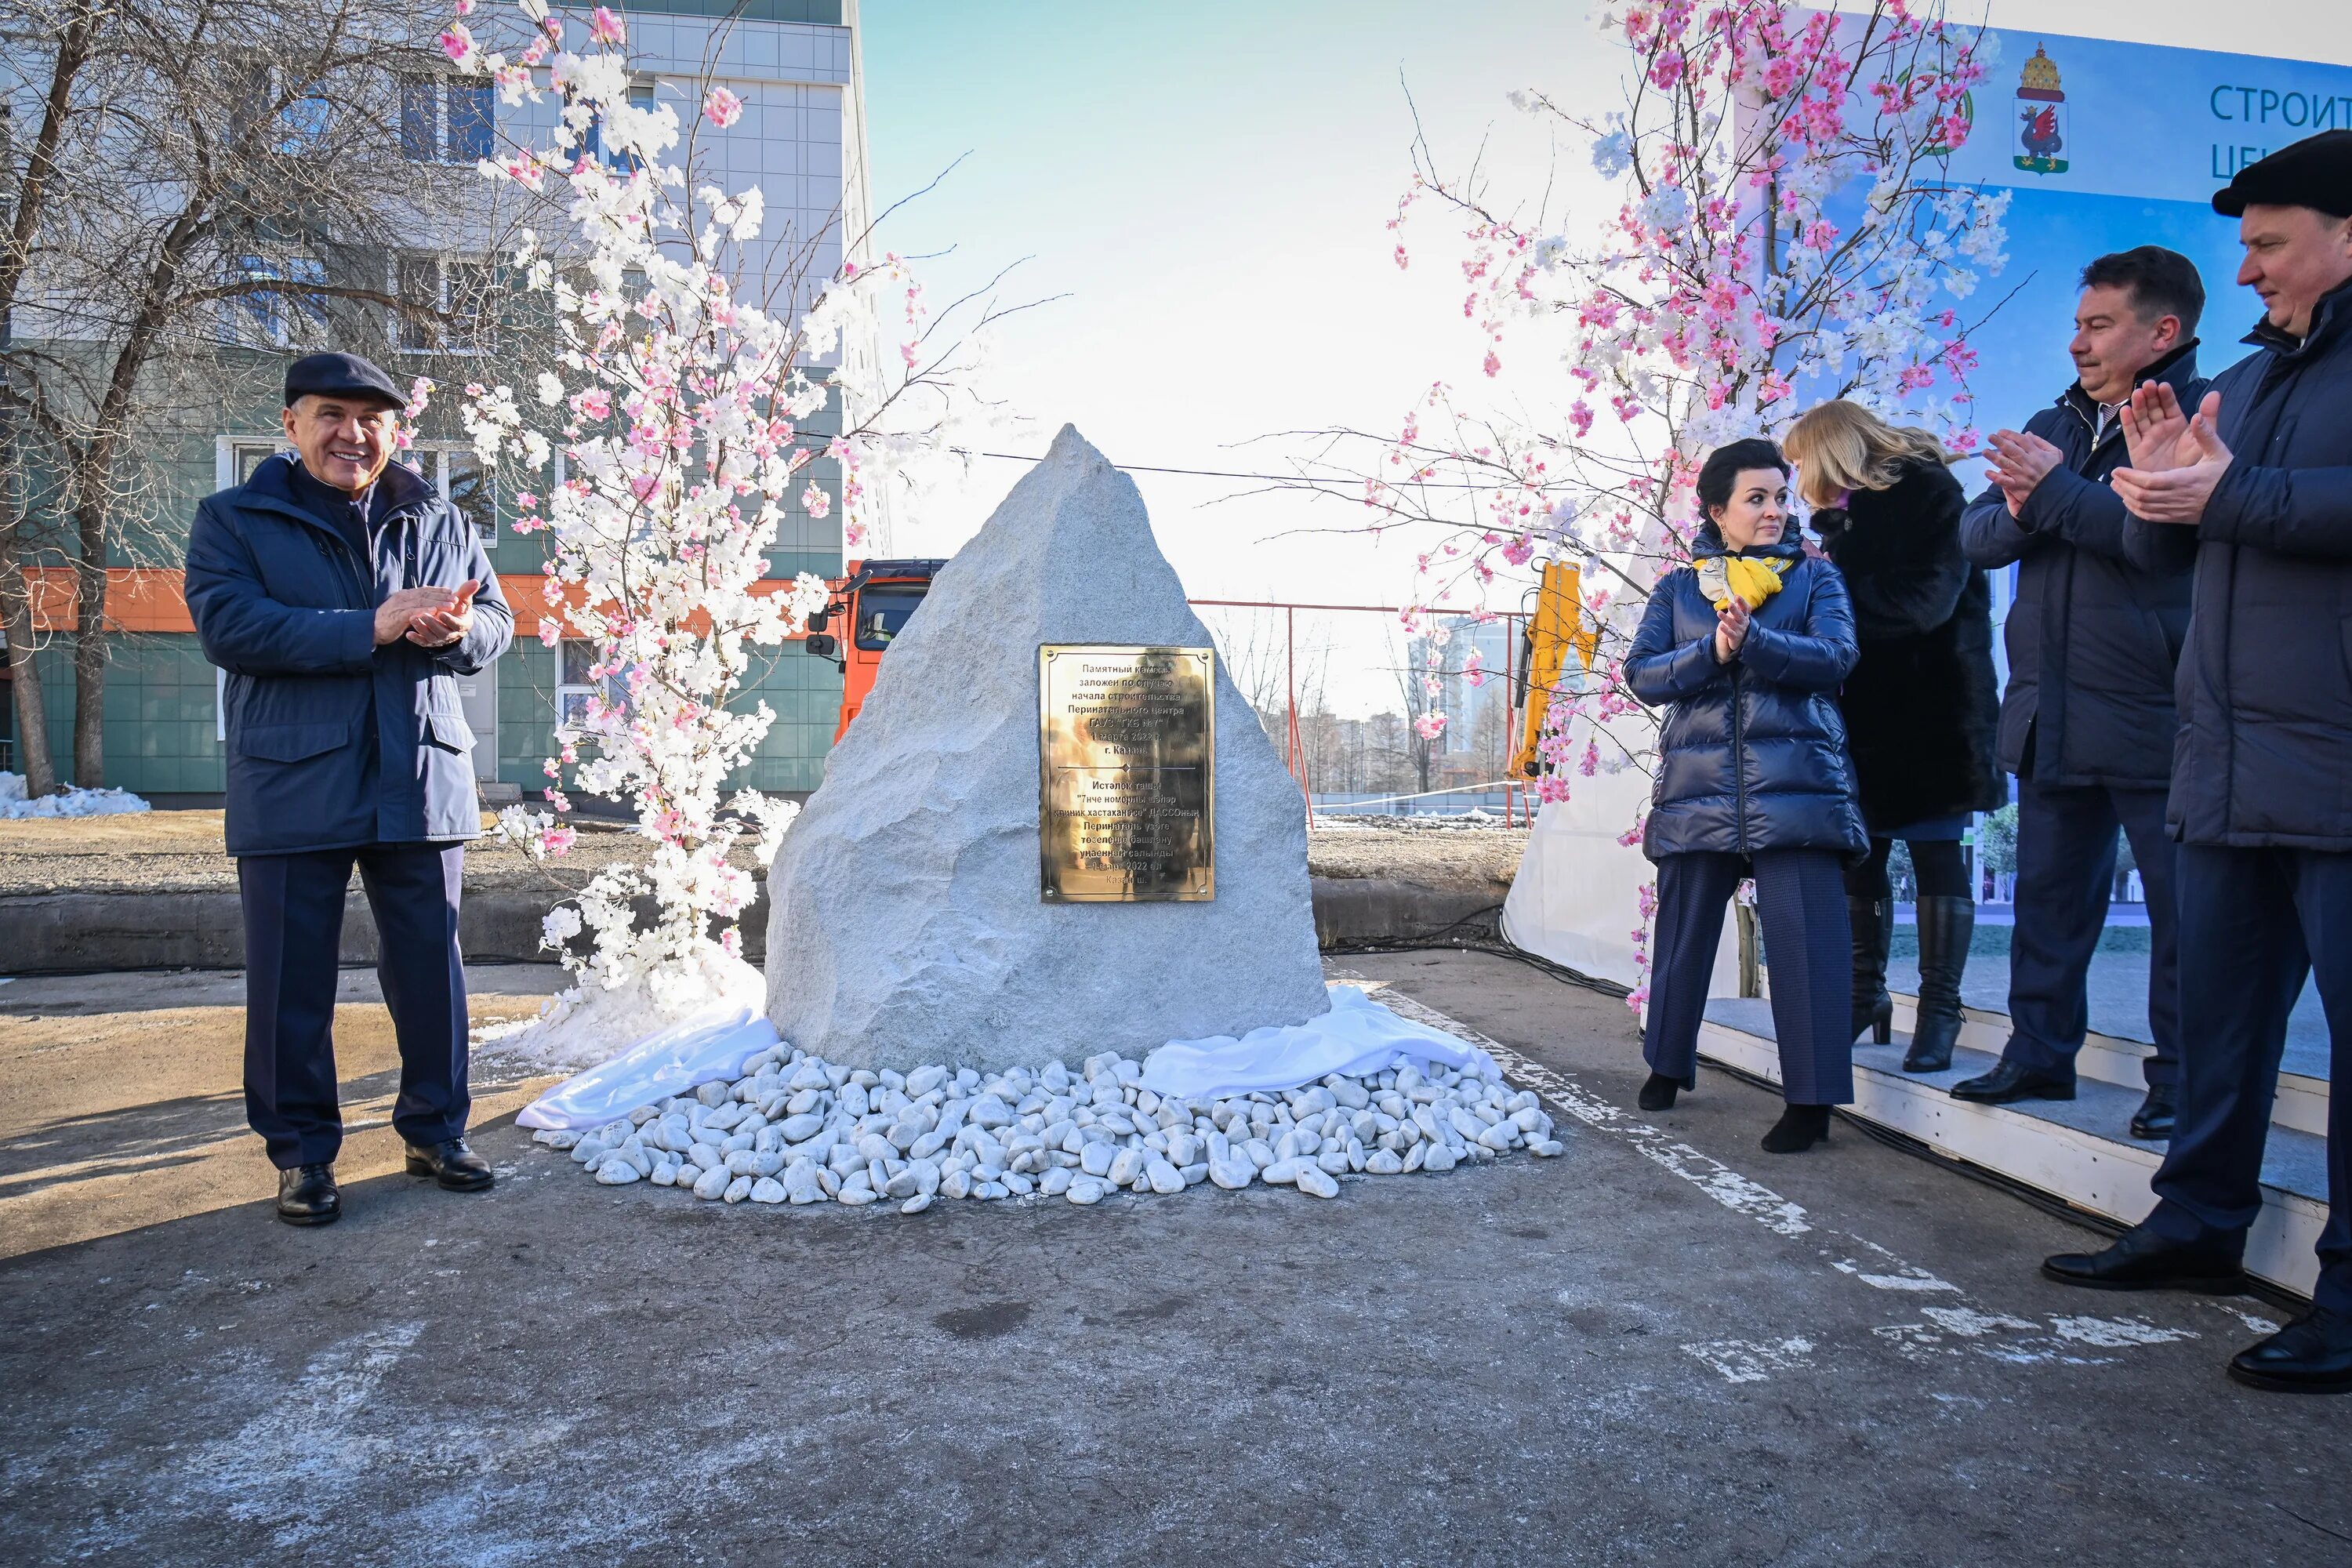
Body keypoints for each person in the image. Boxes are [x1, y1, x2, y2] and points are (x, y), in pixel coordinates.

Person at [2043, 129, 2352, 1396]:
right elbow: (2192, 546)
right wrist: (2158, 491)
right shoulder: (2253, 375)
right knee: (2220, 1021)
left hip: (2337, 770)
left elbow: (2278, 507)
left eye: (2272, 243)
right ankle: (2197, 1222)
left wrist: (2224, 496)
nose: (2251, 264)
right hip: (2227, 762)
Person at [184, 351, 514, 1227]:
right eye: (331, 413)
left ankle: (436, 1131)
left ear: (392, 430)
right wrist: (372, 624)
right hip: (296, 778)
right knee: (292, 979)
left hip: (418, 769)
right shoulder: (235, 518)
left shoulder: (437, 514)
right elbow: (231, 624)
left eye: (371, 418)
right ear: (291, 424)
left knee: (431, 969)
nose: (351, 433)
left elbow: (497, 619)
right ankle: (300, 1154)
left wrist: (452, 630)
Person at [1950, 249, 2206, 1140]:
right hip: (2050, 709)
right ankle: (2037, 1053)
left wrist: (2049, 493)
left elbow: (2153, 542)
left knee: (2183, 912)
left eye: (2099, 326)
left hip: (2155, 709)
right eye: (2079, 325)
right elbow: (1977, 538)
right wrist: (2027, 504)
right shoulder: (2051, 424)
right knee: (2048, 900)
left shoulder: (2201, 417)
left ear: (2162, 331)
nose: (2079, 344)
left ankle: (2181, 1080)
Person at [1626, 437, 1866, 1153]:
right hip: (1700, 791)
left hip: (1795, 792)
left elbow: (1837, 658)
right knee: (1682, 939)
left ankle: (1812, 1103)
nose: (1772, 511)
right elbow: (1644, 674)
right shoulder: (1678, 589)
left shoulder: (1817, 581)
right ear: (1717, 512)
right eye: (1755, 499)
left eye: (1779, 497)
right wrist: (1715, 651)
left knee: (1807, 948)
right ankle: (1666, 1065)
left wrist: (1756, 641)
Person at [1783, 401, 2000, 1073]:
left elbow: (1925, 599)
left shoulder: (1932, 493)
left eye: (1800, 462)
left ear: (1833, 451)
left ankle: (1940, 1011)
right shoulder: (1846, 516)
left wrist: (1828, 590)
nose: (1796, 478)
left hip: (1933, 713)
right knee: (1862, 858)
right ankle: (1863, 996)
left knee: (1936, 857)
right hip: (1865, 718)